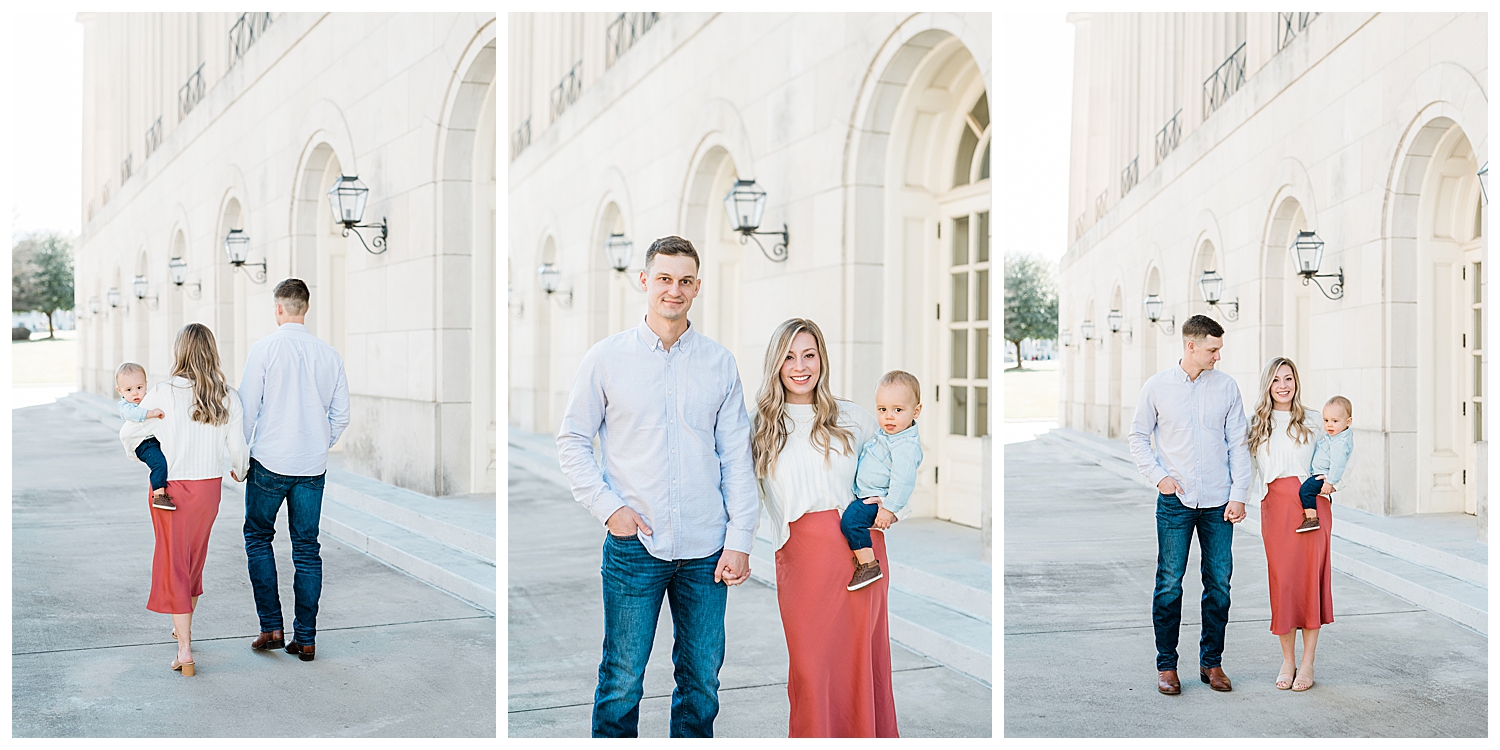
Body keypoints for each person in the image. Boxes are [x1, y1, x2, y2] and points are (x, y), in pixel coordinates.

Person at [556, 235, 757, 738]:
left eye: (685, 281)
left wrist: (740, 540)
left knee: (702, 682)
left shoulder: (719, 363)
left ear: (698, 287)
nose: (674, 289)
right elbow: (573, 440)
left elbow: (737, 457)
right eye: (664, 278)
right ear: (644, 281)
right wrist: (609, 509)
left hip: (706, 550)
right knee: (622, 680)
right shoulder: (606, 358)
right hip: (634, 547)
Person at [753, 317, 899, 737]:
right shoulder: (759, 425)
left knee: (860, 666)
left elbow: (900, 465)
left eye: (809, 355)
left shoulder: (854, 418)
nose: (800, 366)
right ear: (776, 363)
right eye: (789, 357)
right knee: (811, 671)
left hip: (860, 558)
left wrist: (891, 507)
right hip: (801, 560)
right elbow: (740, 497)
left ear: (822, 359)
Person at [1127, 314, 1250, 696]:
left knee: (1219, 586)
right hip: (1175, 502)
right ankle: (1167, 666)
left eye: (1219, 349)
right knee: (1169, 585)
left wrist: (1239, 494)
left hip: (1219, 502)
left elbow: (1238, 444)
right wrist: (1159, 477)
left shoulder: (1226, 387)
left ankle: (1211, 662)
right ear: (1191, 346)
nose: (1218, 356)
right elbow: (1137, 436)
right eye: (1213, 349)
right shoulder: (1157, 387)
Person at [120, 323, 249, 677]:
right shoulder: (227, 395)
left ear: (180, 352)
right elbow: (238, 449)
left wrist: (149, 456)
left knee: (174, 563)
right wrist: (240, 471)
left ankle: (185, 649)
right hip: (209, 491)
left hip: (171, 491)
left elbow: (129, 432)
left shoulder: (163, 392)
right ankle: (182, 632)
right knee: (193, 563)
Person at [239, 278, 350, 662]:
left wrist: (239, 458)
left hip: (269, 461)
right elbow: (341, 415)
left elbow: (246, 410)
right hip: (311, 466)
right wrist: (319, 441)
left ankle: (271, 626)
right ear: (306, 308)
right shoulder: (330, 355)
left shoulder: (264, 349)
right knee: (306, 549)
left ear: (278, 308)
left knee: (258, 538)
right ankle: (305, 638)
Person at [1247, 357, 1335, 692]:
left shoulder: (1313, 420)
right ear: (1267, 385)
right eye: (1276, 380)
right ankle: (1287, 660)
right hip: (1276, 507)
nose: (1283, 386)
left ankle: (1308, 662)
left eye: (1288, 378)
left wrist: (1333, 483)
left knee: (1310, 583)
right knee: (1283, 584)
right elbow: (1247, 468)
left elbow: (1340, 451)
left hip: (1311, 506)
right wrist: (1238, 500)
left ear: (1296, 382)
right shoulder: (1256, 423)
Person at [840, 370, 923, 591]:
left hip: (877, 500)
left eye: (898, 410)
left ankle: (868, 565)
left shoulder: (905, 446)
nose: (888, 417)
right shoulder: (889, 434)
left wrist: (889, 509)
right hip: (866, 493)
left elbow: (903, 481)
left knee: (851, 521)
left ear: (916, 411)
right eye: (882, 409)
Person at [114, 362, 173, 510]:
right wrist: (151, 413)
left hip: (154, 439)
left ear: (146, 385)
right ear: (120, 391)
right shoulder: (125, 406)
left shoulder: (148, 400)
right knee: (159, 463)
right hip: (142, 444)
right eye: (129, 390)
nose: (135, 393)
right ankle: (159, 496)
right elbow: (133, 414)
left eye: (139, 388)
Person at [1295, 395, 1354, 533]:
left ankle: (1311, 519)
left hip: (1324, 476)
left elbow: (1338, 464)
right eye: (1326, 420)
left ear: (1348, 422)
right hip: (1321, 474)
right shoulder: (1335, 436)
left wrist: (1329, 482)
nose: (1329, 425)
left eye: (1335, 421)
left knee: (1306, 490)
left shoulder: (1340, 443)